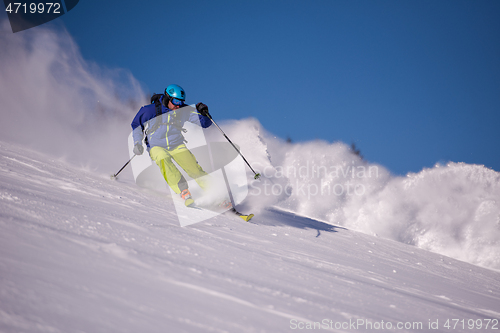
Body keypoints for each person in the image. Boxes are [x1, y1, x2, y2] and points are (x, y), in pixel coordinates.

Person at [131, 84, 212, 206]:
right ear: (167, 98)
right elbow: (137, 125)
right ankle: (183, 191)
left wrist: (205, 113)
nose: (178, 105)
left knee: (194, 168)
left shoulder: (182, 110)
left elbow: (205, 124)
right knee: (163, 159)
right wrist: (137, 142)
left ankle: (216, 191)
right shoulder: (150, 110)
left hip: (176, 145)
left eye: (181, 102)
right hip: (156, 146)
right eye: (175, 101)